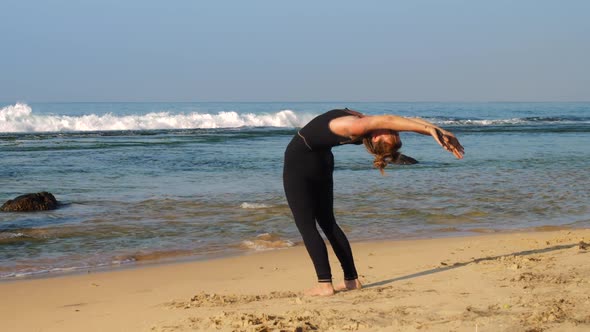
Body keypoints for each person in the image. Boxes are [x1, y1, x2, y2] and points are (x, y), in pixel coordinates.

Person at [283, 108, 464, 296]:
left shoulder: (355, 126)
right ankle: (351, 280)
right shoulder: (369, 128)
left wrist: (431, 130)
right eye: (393, 130)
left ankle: (324, 284)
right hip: (322, 159)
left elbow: (390, 118)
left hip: (299, 160)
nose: (392, 127)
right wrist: (440, 131)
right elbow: (406, 120)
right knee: (328, 223)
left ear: (376, 139)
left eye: (390, 130)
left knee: (307, 226)